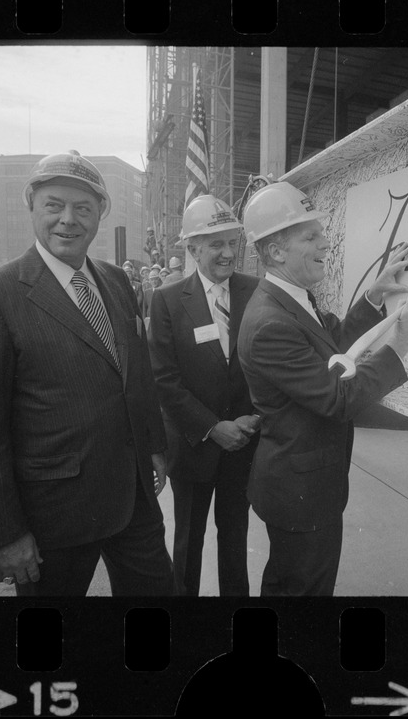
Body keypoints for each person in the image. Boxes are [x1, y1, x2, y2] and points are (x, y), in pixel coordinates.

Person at [0, 150, 174, 597]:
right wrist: (3, 535)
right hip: (53, 519)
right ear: (31, 206)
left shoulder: (115, 280)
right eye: (54, 205)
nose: (68, 219)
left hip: (133, 501)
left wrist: (154, 447)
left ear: (99, 216)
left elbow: (135, 377)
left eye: (83, 208)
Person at [237, 181, 408, 596]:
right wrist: (400, 344)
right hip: (300, 493)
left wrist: (374, 295)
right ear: (275, 251)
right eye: (311, 235)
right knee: (302, 591)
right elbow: (338, 397)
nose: (326, 242)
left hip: (305, 486)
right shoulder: (271, 322)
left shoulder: (289, 298)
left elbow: (331, 348)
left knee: (292, 584)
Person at [148, 195, 260, 597]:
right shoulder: (167, 300)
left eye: (233, 242)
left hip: (243, 447)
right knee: (188, 545)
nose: (228, 253)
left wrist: (251, 421)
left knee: (235, 542)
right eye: (216, 244)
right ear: (192, 249)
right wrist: (213, 428)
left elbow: (266, 367)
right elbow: (164, 380)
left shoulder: (257, 292)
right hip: (195, 449)